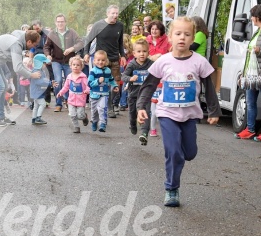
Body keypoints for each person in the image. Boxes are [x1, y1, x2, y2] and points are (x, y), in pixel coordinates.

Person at [137, 17, 220, 207]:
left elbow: (209, 86)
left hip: (190, 115)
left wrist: (214, 111)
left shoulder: (199, 62)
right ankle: (172, 189)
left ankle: (180, 157)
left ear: (193, 39)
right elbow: (148, 85)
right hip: (167, 114)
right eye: (178, 33)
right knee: (173, 152)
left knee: (189, 153)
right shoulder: (163, 61)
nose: (182, 37)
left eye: (187, 34)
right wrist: (141, 107)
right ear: (171, 37)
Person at [0, 30, 41, 127]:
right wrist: (31, 75)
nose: (34, 48)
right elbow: (18, 67)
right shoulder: (17, 44)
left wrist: (29, 70)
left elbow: (16, 61)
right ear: (29, 42)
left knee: (4, 86)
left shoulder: (19, 41)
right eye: (34, 45)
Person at [84, 5, 126, 118]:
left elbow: (120, 43)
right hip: (102, 60)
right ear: (107, 13)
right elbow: (88, 39)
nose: (115, 16)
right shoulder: (99, 25)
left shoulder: (120, 26)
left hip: (115, 58)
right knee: (102, 82)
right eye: (113, 13)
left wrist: (123, 55)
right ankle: (102, 105)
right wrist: (86, 53)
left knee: (116, 84)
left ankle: (110, 104)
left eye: (117, 13)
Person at [45, 13, 84, 112]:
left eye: (62, 21)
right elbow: (46, 47)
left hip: (68, 62)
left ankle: (67, 100)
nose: (60, 23)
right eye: (58, 22)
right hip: (56, 61)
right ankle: (58, 103)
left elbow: (80, 43)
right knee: (58, 80)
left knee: (69, 81)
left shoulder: (72, 32)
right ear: (55, 23)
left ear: (65, 22)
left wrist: (72, 49)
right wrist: (48, 55)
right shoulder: (52, 34)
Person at [235, 5, 261, 140]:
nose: (251, 18)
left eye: (252, 15)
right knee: (250, 102)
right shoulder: (257, 32)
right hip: (253, 74)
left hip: (259, 74)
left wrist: (259, 51)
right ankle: (250, 129)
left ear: (258, 17)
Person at [121, 38, 154, 145]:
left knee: (146, 113)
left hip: (146, 95)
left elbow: (159, 73)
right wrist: (130, 79)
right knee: (132, 114)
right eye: (139, 52)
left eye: (144, 51)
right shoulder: (132, 65)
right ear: (134, 53)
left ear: (148, 52)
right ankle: (133, 124)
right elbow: (124, 76)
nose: (142, 54)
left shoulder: (151, 64)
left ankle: (144, 134)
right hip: (133, 94)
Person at [88, 50, 119, 132]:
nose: (100, 62)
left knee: (102, 108)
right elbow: (90, 83)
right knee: (94, 111)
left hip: (104, 93)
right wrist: (98, 81)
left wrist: (115, 85)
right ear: (94, 61)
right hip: (94, 94)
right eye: (98, 60)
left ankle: (102, 124)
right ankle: (94, 122)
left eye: (103, 60)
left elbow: (111, 80)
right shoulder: (93, 71)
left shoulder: (108, 71)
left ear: (106, 61)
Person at [57, 56, 90, 133]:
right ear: (70, 66)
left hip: (80, 100)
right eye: (74, 65)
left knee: (80, 115)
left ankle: (84, 117)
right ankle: (76, 127)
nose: (75, 66)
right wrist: (61, 92)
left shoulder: (83, 77)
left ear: (81, 67)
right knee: (72, 115)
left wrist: (87, 90)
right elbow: (66, 87)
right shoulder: (69, 77)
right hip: (71, 100)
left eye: (78, 65)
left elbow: (88, 85)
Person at [29, 54, 52, 125]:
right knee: (43, 104)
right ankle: (38, 118)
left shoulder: (38, 70)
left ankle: (34, 118)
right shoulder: (37, 71)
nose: (45, 64)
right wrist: (49, 83)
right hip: (38, 92)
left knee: (36, 105)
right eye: (44, 63)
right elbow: (39, 82)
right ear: (40, 63)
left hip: (36, 91)